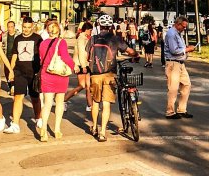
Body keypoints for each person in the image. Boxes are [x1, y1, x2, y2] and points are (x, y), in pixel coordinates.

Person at [87, 13, 138, 142]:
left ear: (99, 25)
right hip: (110, 74)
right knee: (106, 103)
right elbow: (129, 51)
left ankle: (94, 127)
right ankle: (103, 132)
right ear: (110, 26)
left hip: (95, 74)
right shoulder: (115, 39)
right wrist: (135, 55)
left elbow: (87, 56)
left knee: (95, 102)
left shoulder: (92, 39)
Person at [4, 17, 43, 134]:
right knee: (18, 97)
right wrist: (11, 71)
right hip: (19, 72)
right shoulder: (18, 39)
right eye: (24, 27)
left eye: (28, 27)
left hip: (34, 72)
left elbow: (42, 55)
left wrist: (41, 71)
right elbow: (14, 55)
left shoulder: (38, 38)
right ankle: (15, 124)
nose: (26, 29)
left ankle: (38, 118)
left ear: (32, 27)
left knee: (35, 98)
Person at [37, 19, 75, 141]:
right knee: (59, 102)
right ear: (58, 30)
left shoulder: (42, 43)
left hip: (46, 73)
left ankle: (43, 128)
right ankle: (57, 129)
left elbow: (41, 58)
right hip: (60, 75)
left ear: (48, 31)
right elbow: (65, 57)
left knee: (47, 103)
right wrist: (74, 66)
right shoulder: (61, 42)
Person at [163, 15, 195, 120]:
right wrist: (187, 50)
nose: (184, 28)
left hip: (180, 63)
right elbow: (174, 50)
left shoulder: (178, 33)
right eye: (183, 26)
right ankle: (170, 112)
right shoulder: (172, 34)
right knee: (173, 88)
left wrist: (186, 49)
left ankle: (182, 109)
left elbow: (180, 48)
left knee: (186, 84)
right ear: (178, 24)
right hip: (173, 63)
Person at [64, 21, 93, 111]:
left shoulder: (85, 38)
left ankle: (90, 105)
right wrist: (83, 66)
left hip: (86, 63)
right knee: (82, 85)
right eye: (90, 30)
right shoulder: (81, 38)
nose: (91, 32)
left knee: (88, 85)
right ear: (87, 30)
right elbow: (81, 52)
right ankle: (64, 99)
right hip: (81, 63)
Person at [1, 20, 20, 94]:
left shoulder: (19, 35)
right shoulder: (4, 35)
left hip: (16, 57)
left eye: (11, 27)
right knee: (7, 72)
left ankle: (14, 86)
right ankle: (11, 86)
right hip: (7, 56)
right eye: (9, 27)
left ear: (14, 27)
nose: (10, 28)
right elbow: (1, 45)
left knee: (14, 72)